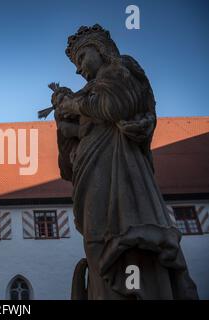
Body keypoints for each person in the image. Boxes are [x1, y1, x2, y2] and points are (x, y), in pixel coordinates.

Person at [53, 24, 199, 299]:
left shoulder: (120, 69)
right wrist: (63, 119)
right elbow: (73, 148)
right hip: (92, 174)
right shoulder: (90, 92)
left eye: (81, 57)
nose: (78, 68)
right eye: (75, 62)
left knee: (125, 240)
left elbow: (114, 106)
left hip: (120, 174)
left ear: (100, 49)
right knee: (98, 244)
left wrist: (73, 105)